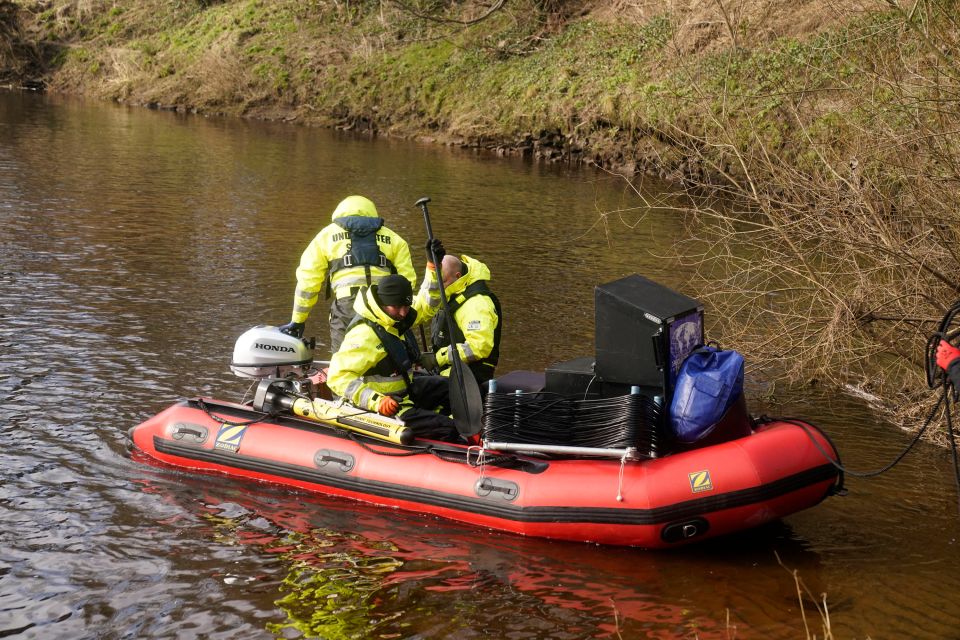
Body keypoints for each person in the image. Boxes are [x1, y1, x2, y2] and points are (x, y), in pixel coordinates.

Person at [326, 268, 460, 442]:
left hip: (406, 391)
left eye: (406, 306)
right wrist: (377, 401)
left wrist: (432, 269)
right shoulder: (365, 334)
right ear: (382, 303)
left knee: (451, 387)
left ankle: (444, 420)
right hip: (387, 407)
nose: (403, 312)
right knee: (449, 429)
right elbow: (336, 377)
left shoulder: (395, 319)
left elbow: (429, 303)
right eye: (397, 307)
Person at [279, 195, 416, 353]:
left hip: (346, 306)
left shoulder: (326, 236)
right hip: (384, 305)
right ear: (372, 214)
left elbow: (308, 283)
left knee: (344, 359)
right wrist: (400, 311)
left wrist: (298, 320)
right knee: (387, 358)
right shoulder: (394, 239)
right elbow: (408, 282)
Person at [419, 253, 502, 394]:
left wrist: (438, 358)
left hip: (470, 376)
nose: (439, 287)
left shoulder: (476, 304)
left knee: (421, 391)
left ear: (457, 276)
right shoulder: (453, 292)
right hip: (451, 370)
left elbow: (479, 347)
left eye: (443, 281)